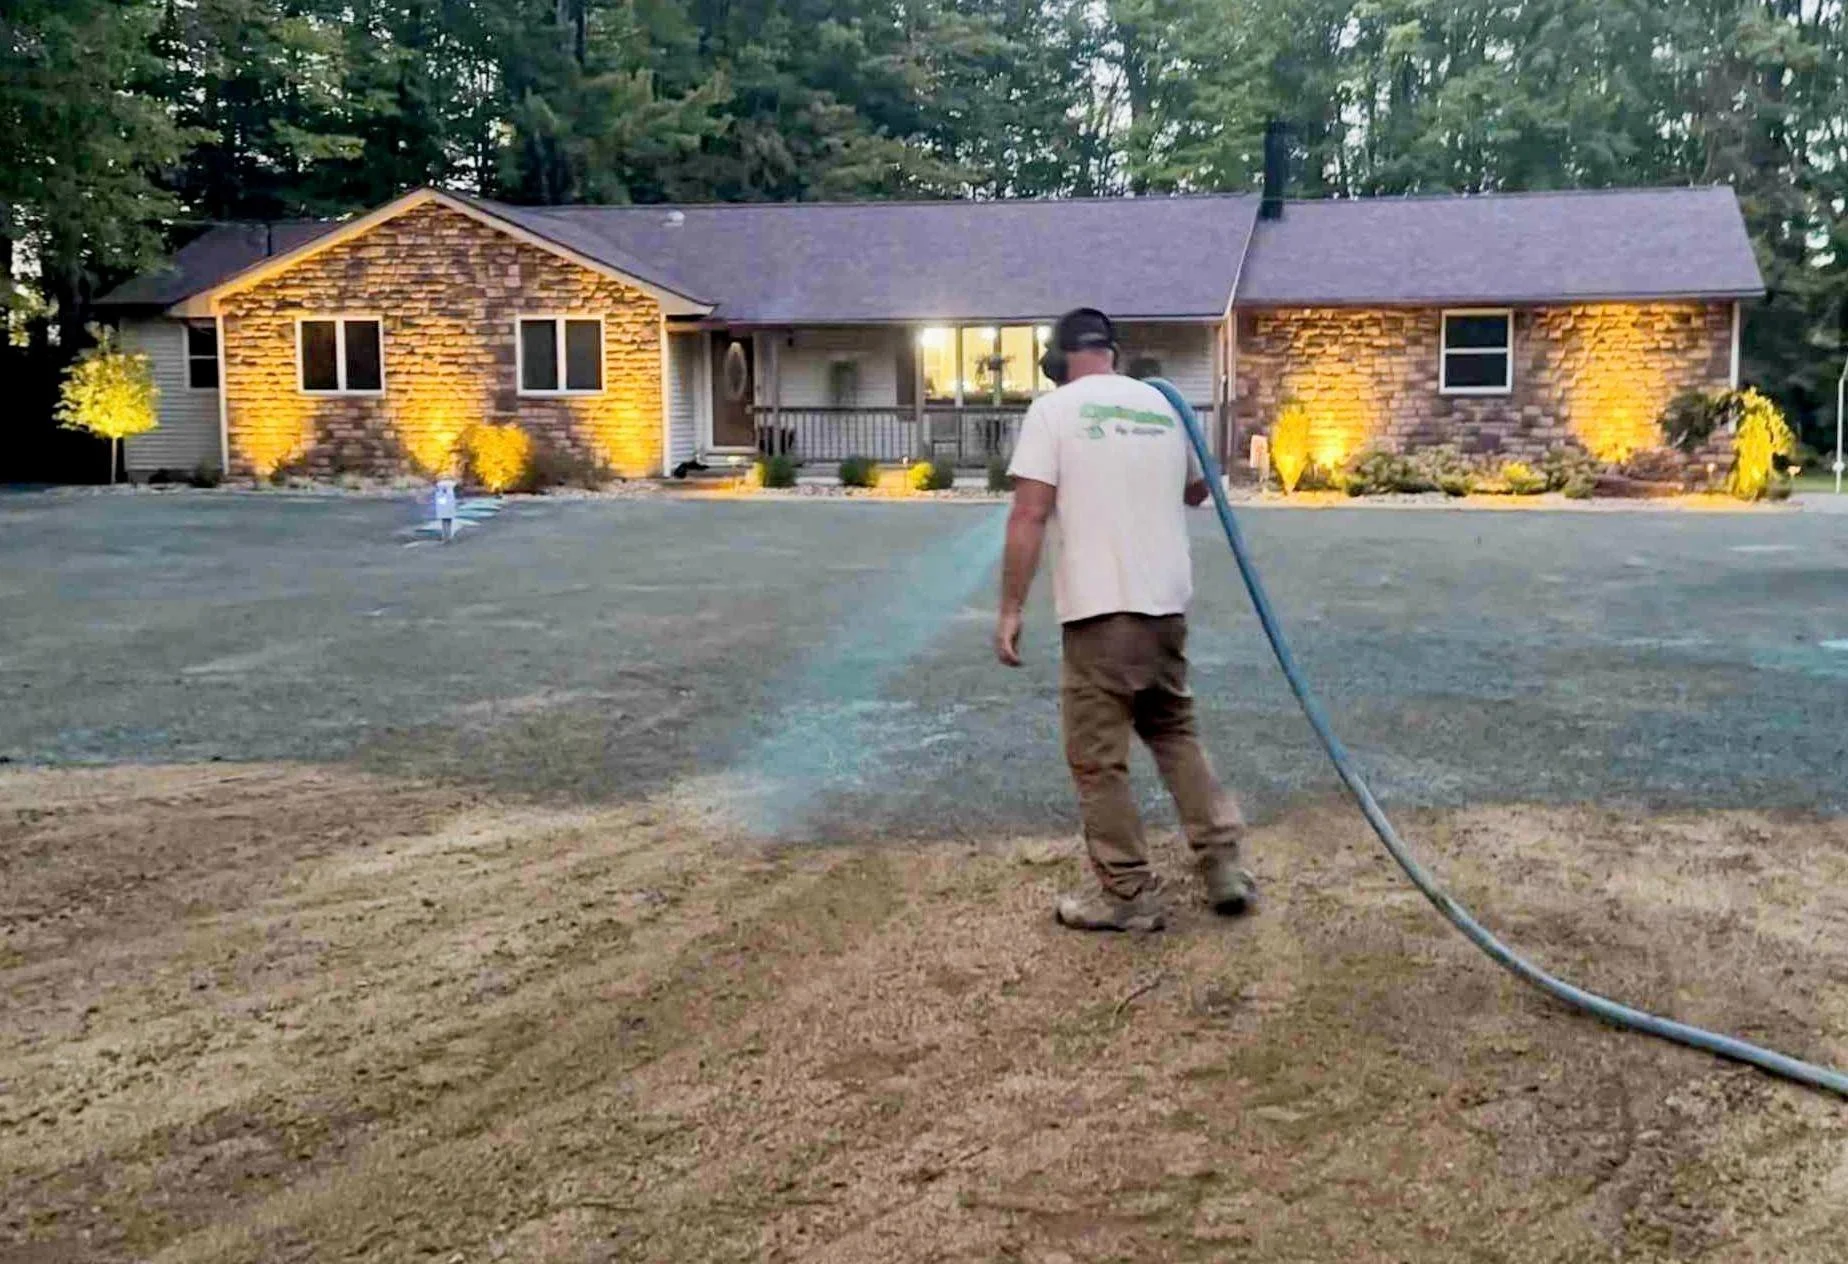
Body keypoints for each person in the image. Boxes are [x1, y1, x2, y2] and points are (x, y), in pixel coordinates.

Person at [996, 307, 1255, 932]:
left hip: (1099, 611)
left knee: (1097, 758)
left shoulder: (1052, 412)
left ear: (1058, 362)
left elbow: (1030, 514)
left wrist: (1009, 607)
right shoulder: (1165, 406)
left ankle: (1128, 896)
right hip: (1166, 607)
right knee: (1173, 731)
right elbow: (1199, 490)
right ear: (1113, 352)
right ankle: (1222, 867)